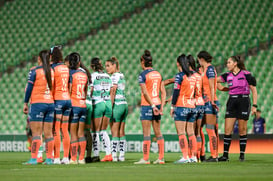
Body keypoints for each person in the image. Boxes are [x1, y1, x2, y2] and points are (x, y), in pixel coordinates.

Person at [217, 55, 257, 162]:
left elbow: (253, 89)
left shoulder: (246, 74)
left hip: (244, 101)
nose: (227, 64)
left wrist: (254, 105)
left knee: (242, 130)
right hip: (232, 101)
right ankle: (225, 156)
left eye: (229, 62)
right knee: (227, 130)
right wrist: (221, 87)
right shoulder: (227, 75)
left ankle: (242, 155)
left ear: (235, 63)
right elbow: (214, 81)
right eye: (227, 63)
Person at [23, 50, 55, 165]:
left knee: (36, 133)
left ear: (40, 59)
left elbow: (29, 89)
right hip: (50, 103)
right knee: (49, 134)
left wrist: (25, 103)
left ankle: (34, 158)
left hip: (38, 103)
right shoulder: (51, 71)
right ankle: (50, 158)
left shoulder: (34, 71)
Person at [134, 50, 166, 164]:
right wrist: (161, 107)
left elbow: (145, 92)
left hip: (148, 105)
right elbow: (163, 92)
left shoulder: (142, 75)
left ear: (143, 62)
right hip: (157, 103)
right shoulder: (158, 74)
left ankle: (146, 158)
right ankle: (161, 158)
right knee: (158, 132)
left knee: (146, 133)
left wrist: (152, 105)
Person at [170, 54, 197, 164]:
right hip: (192, 106)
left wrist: (172, 106)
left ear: (178, 63)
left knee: (181, 133)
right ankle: (193, 157)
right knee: (191, 133)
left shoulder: (179, 76)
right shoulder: (194, 76)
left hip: (181, 106)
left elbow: (176, 92)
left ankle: (185, 156)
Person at [50, 47, 71, 164]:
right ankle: (66, 158)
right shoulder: (65, 67)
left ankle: (57, 158)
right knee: (65, 129)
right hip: (67, 99)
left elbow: (52, 86)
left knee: (56, 129)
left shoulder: (53, 68)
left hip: (58, 99)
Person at [90, 57, 113, 162]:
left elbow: (90, 91)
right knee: (103, 130)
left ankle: (96, 155)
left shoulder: (93, 76)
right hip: (108, 104)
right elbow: (112, 92)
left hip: (98, 103)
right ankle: (109, 154)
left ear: (92, 66)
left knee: (95, 131)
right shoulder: (108, 76)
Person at [197, 51, 219, 162]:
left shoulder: (210, 69)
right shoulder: (205, 70)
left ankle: (214, 156)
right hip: (205, 102)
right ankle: (204, 154)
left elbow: (212, 86)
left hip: (210, 101)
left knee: (210, 129)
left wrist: (212, 100)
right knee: (203, 128)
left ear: (201, 59)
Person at [105, 57, 128, 162]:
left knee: (114, 132)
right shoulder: (121, 75)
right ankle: (122, 156)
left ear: (114, 65)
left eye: (108, 66)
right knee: (122, 132)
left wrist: (110, 106)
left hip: (117, 105)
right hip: (124, 104)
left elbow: (113, 91)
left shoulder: (114, 77)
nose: (107, 68)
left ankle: (114, 156)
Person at [68, 52, 89, 164]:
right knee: (81, 133)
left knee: (73, 134)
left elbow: (70, 90)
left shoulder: (71, 74)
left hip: (74, 105)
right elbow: (86, 91)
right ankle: (82, 158)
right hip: (83, 105)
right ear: (79, 63)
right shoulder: (84, 74)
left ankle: (73, 158)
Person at [188, 55, 205, 162]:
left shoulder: (190, 76)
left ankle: (192, 155)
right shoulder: (199, 75)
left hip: (193, 104)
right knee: (198, 131)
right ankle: (199, 155)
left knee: (191, 132)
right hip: (201, 103)